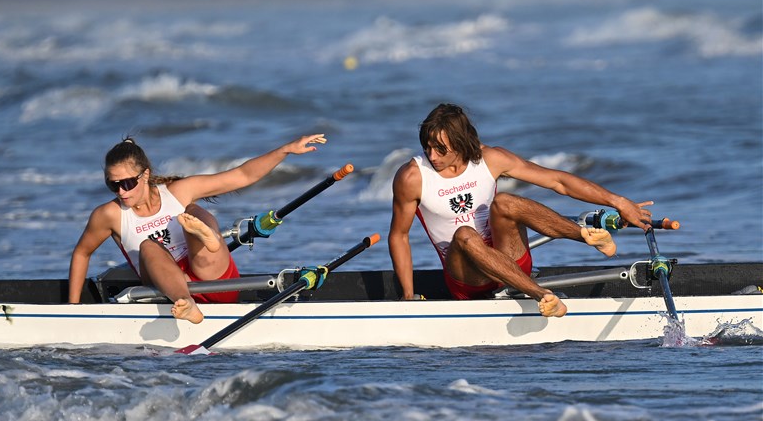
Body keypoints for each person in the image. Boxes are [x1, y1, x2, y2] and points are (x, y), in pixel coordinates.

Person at [388, 103, 652, 318]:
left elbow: (557, 181)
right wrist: (408, 298)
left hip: (510, 258)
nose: (432, 156)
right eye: (428, 147)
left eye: (440, 149)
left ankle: (586, 236)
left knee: (505, 201)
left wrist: (618, 201)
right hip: (468, 279)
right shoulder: (412, 177)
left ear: (460, 142)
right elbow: (399, 236)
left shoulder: (490, 158)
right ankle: (543, 297)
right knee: (465, 235)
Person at [68, 133, 328, 323]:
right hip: (173, 292)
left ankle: (208, 238)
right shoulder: (109, 214)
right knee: (149, 246)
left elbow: (242, 176)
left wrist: (285, 150)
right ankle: (188, 303)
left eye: (127, 183)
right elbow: (82, 253)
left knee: (191, 212)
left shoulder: (178, 192)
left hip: (214, 278)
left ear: (145, 175)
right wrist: (73, 310)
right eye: (113, 185)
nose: (121, 192)